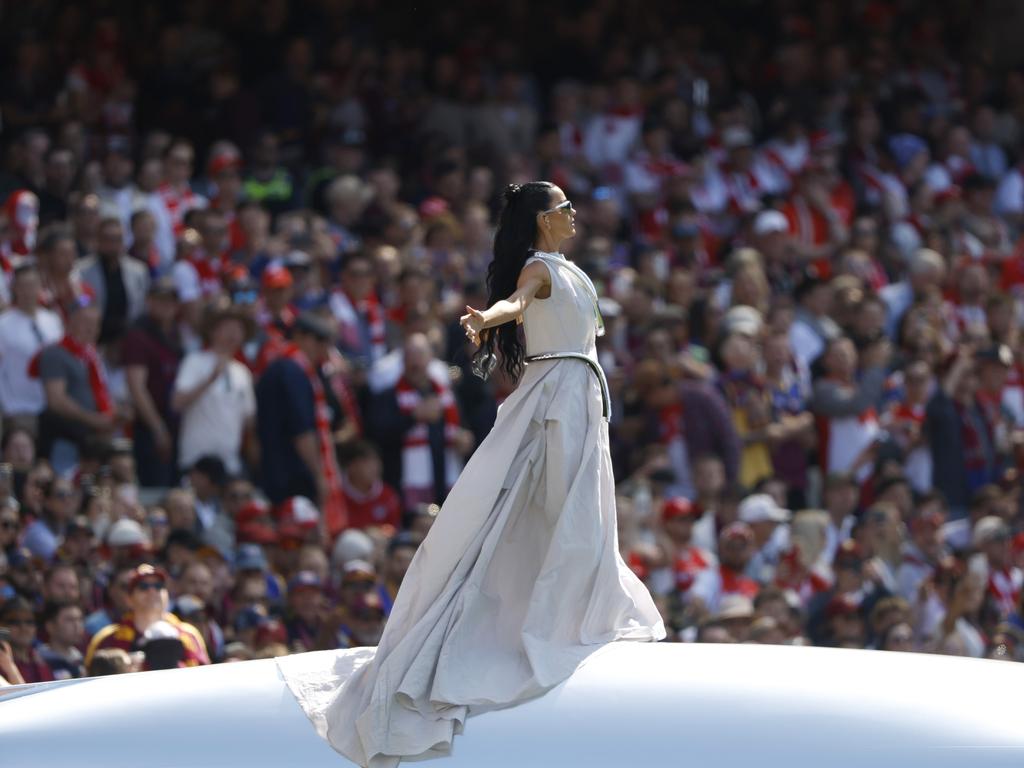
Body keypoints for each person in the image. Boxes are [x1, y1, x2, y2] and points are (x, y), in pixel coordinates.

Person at [277, 181, 665, 767]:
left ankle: (578, 604)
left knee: (581, 506)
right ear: (540, 220)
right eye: (562, 208)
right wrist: (488, 316)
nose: (572, 214)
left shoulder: (568, 268)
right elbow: (518, 301)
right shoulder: (540, 268)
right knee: (559, 506)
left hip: (580, 395)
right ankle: (546, 614)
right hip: (557, 397)